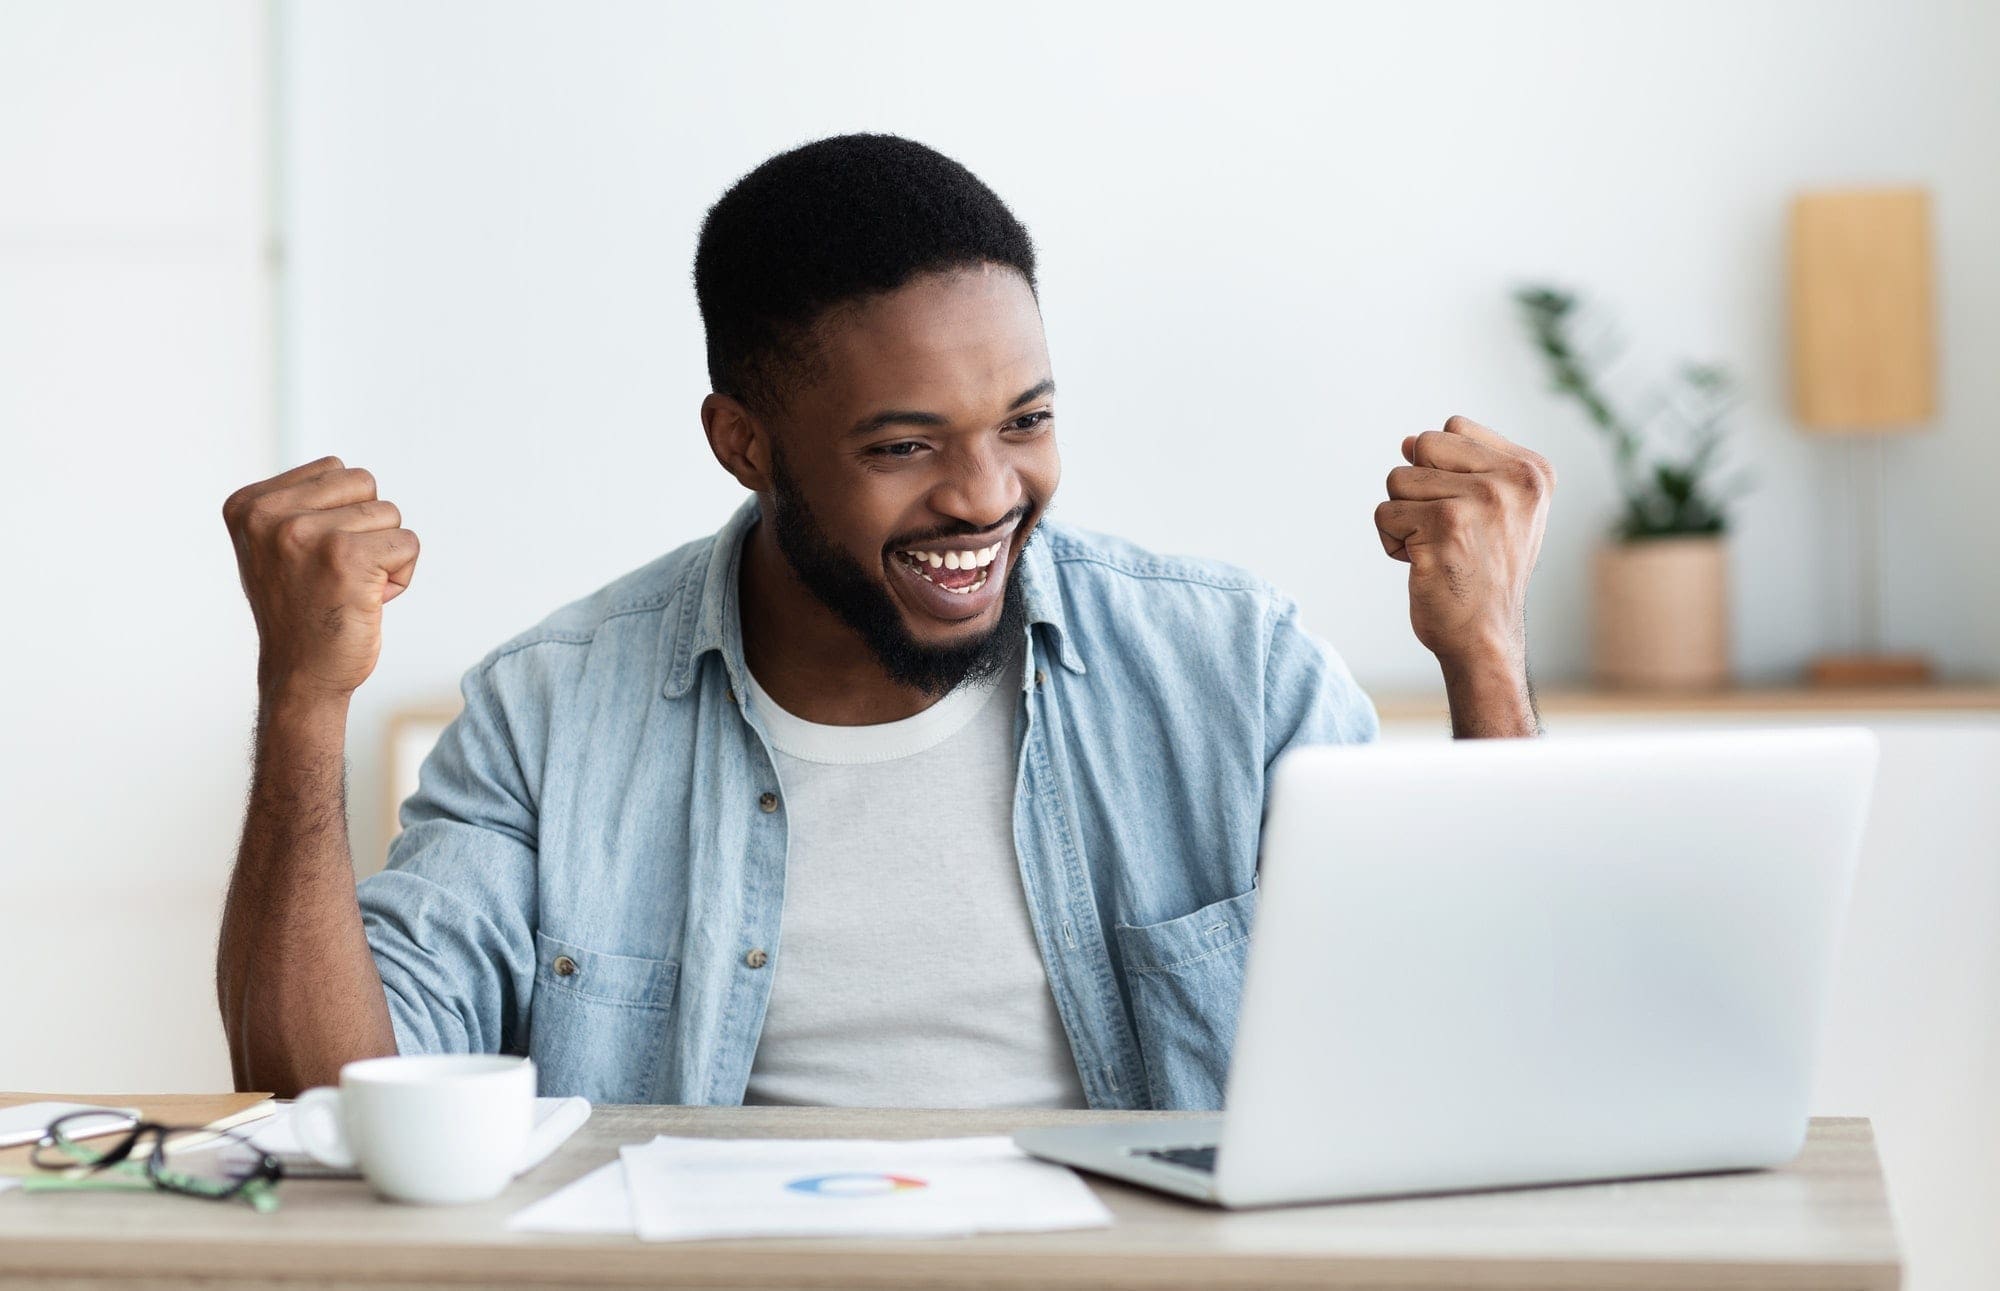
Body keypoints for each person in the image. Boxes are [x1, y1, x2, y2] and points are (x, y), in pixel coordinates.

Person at [215, 133, 1553, 1108]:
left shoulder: (1233, 667)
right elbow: (327, 1101)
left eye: (1025, 422)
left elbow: (1485, 1058)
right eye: (904, 447)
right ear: (744, 443)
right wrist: (301, 702)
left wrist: (1484, 659)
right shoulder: (553, 713)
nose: (985, 495)